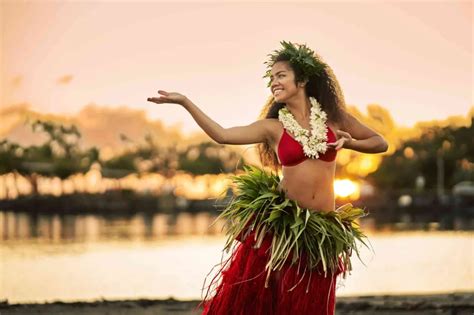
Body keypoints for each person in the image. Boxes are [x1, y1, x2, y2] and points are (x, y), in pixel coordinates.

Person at [147, 40, 388, 315]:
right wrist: (185, 102)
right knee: (279, 304)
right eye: (271, 78)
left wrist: (350, 142)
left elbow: (380, 142)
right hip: (283, 229)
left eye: (281, 75)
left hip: (322, 230)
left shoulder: (333, 118)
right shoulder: (272, 128)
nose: (274, 82)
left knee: (315, 305)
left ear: (303, 79)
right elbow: (222, 134)